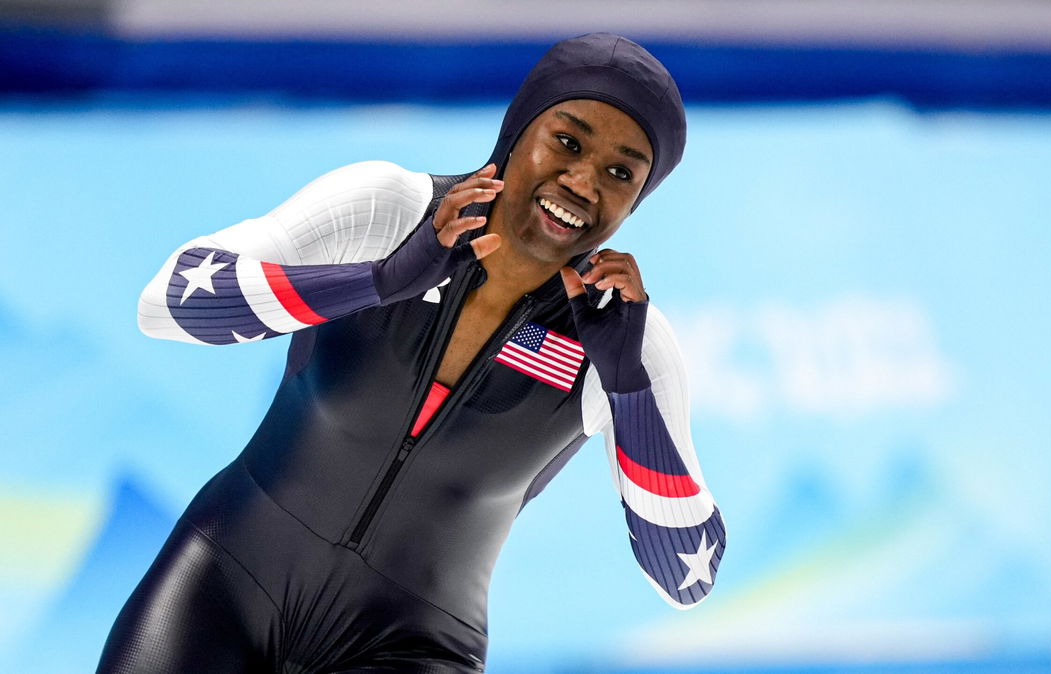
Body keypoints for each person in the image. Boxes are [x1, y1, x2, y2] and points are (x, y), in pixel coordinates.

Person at [100, 33, 725, 673]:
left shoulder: (628, 340)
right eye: (567, 141)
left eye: (620, 173)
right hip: (225, 586)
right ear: (516, 134)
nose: (583, 181)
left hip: (411, 649)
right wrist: (378, 281)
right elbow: (167, 303)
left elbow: (685, 578)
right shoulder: (387, 209)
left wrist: (626, 386)